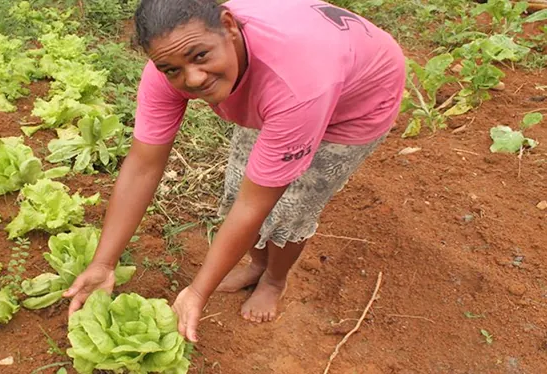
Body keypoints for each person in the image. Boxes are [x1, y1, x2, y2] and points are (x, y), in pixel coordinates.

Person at [63, 0, 406, 343]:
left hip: (357, 98)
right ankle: (256, 265)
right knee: (237, 184)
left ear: (229, 26)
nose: (193, 78)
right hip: (291, 71)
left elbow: (254, 204)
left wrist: (198, 292)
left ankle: (274, 278)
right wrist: (103, 263)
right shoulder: (171, 60)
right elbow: (142, 166)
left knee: (290, 209)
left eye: (200, 56)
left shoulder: (295, 86)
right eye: (172, 69)